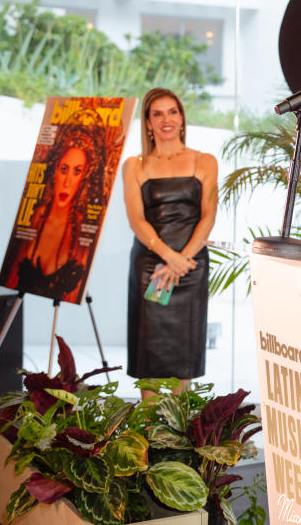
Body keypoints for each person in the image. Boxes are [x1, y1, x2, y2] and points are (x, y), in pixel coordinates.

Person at [122, 88, 218, 400]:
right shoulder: (135, 166)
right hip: (151, 267)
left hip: (191, 267)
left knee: (183, 357)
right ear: (148, 123)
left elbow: (208, 217)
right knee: (149, 360)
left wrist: (182, 260)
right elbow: (137, 220)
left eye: (172, 112)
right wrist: (168, 258)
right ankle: (149, 440)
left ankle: (177, 439)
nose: (167, 119)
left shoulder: (205, 161)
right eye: (158, 113)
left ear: (182, 118)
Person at [2, 114, 105, 303]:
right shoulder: (33, 218)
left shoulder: (83, 229)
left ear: (84, 176)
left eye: (77, 171)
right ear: (55, 169)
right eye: (64, 169)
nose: (67, 181)